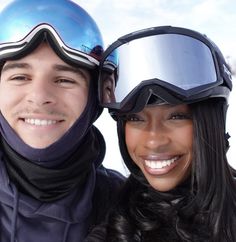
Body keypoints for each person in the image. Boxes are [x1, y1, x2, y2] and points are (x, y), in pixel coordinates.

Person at [86, 26, 236, 241]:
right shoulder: (113, 230)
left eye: (176, 117)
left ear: (213, 122)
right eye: (135, 118)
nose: (154, 140)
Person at [0, 1, 124, 241]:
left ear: (95, 96)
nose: (39, 97)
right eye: (20, 76)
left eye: (64, 80)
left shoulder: (129, 208)